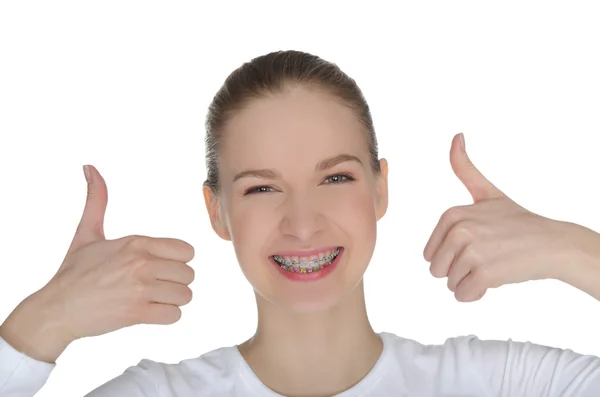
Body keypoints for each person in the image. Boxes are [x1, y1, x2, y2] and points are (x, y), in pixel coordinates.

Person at [1, 50, 600, 397]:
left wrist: (573, 251)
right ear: (218, 213)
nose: (303, 222)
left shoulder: (497, 384)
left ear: (380, 188)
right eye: (261, 187)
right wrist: (42, 323)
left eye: (335, 177)